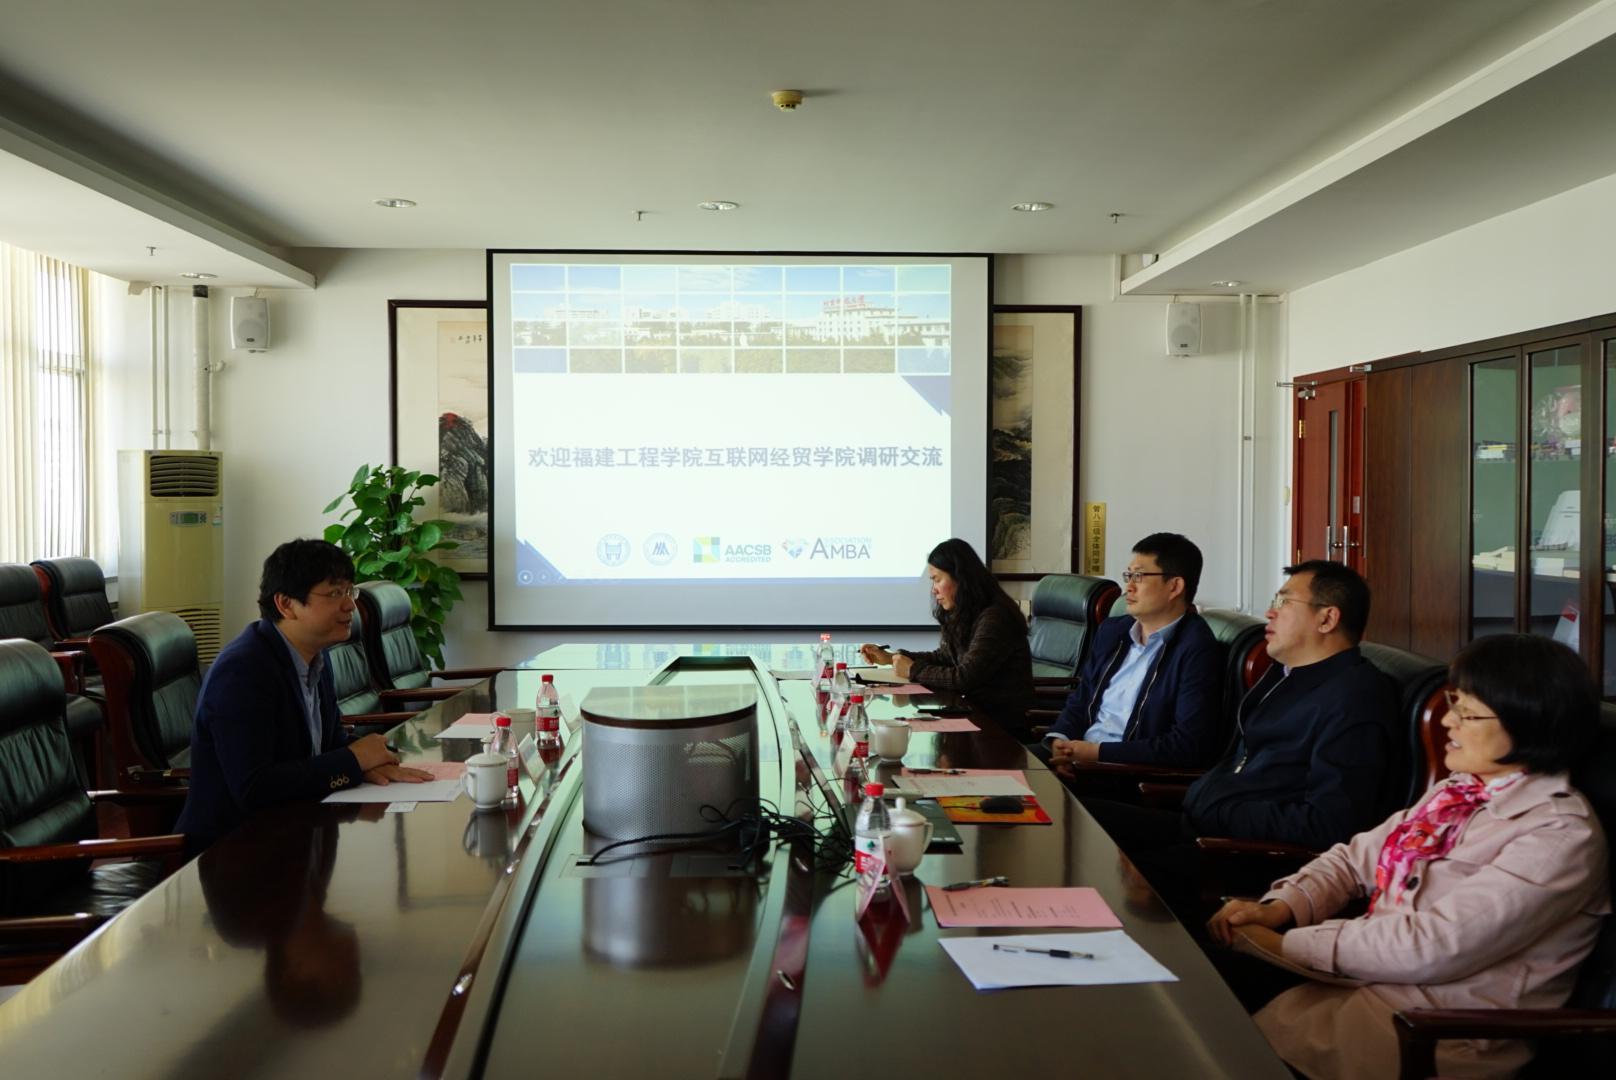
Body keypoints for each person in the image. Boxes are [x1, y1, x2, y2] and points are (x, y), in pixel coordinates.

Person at [1207, 634, 1609, 1080]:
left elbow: (1432, 945)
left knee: (1206, 1023)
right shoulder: (1458, 792)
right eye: (1454, 703)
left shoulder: (1559, 835)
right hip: (1362, 987)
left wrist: (1286, 946)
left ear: (1531, 724)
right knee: (1197, 977)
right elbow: (1353, 860)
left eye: (1467, 712)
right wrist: (1280, 908)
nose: (1448, 722)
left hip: (1432, 1034)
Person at [1083, 561, 1399, 916]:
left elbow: (1329, 823)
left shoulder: (1356, 699)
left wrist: (1222, 809)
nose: (1270, 613)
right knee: (1082, 823)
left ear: (1327, 619)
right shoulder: (1286, 675)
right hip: (1206, 825)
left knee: (1115, 877)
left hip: (1253, 856)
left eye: (1284, 602)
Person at [176, 539, 431, 851]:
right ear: (286, 604)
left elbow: (329, 745)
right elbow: (254, 788)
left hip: (295, 834)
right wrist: (353, 760)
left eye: (349, 591)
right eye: (334, 593)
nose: (350, 605)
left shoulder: (315, 657)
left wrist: (371, 762)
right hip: (232, 851)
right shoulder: (244, 670)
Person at [1039, 533, 1223, 772]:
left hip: (1125, 772)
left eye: (1139, 576)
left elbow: (1186, 745)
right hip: (1078, 755)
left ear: (1175, 586)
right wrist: (1060, 739)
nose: (1129, 587)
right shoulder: (1113, 631)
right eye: (1128, 576)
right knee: (1004, 765)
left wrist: (1096, 754)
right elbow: (1081, 700)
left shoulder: (1196, 649)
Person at [860, 537, 1034, 730]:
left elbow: (965, 677)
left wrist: (912, 670)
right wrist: (892, 658)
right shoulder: (967, 611)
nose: (933, 590)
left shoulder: (996, 617)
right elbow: (945, 657)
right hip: (969, 713)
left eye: (937, 579)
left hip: (998, 726)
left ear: (961, 577)